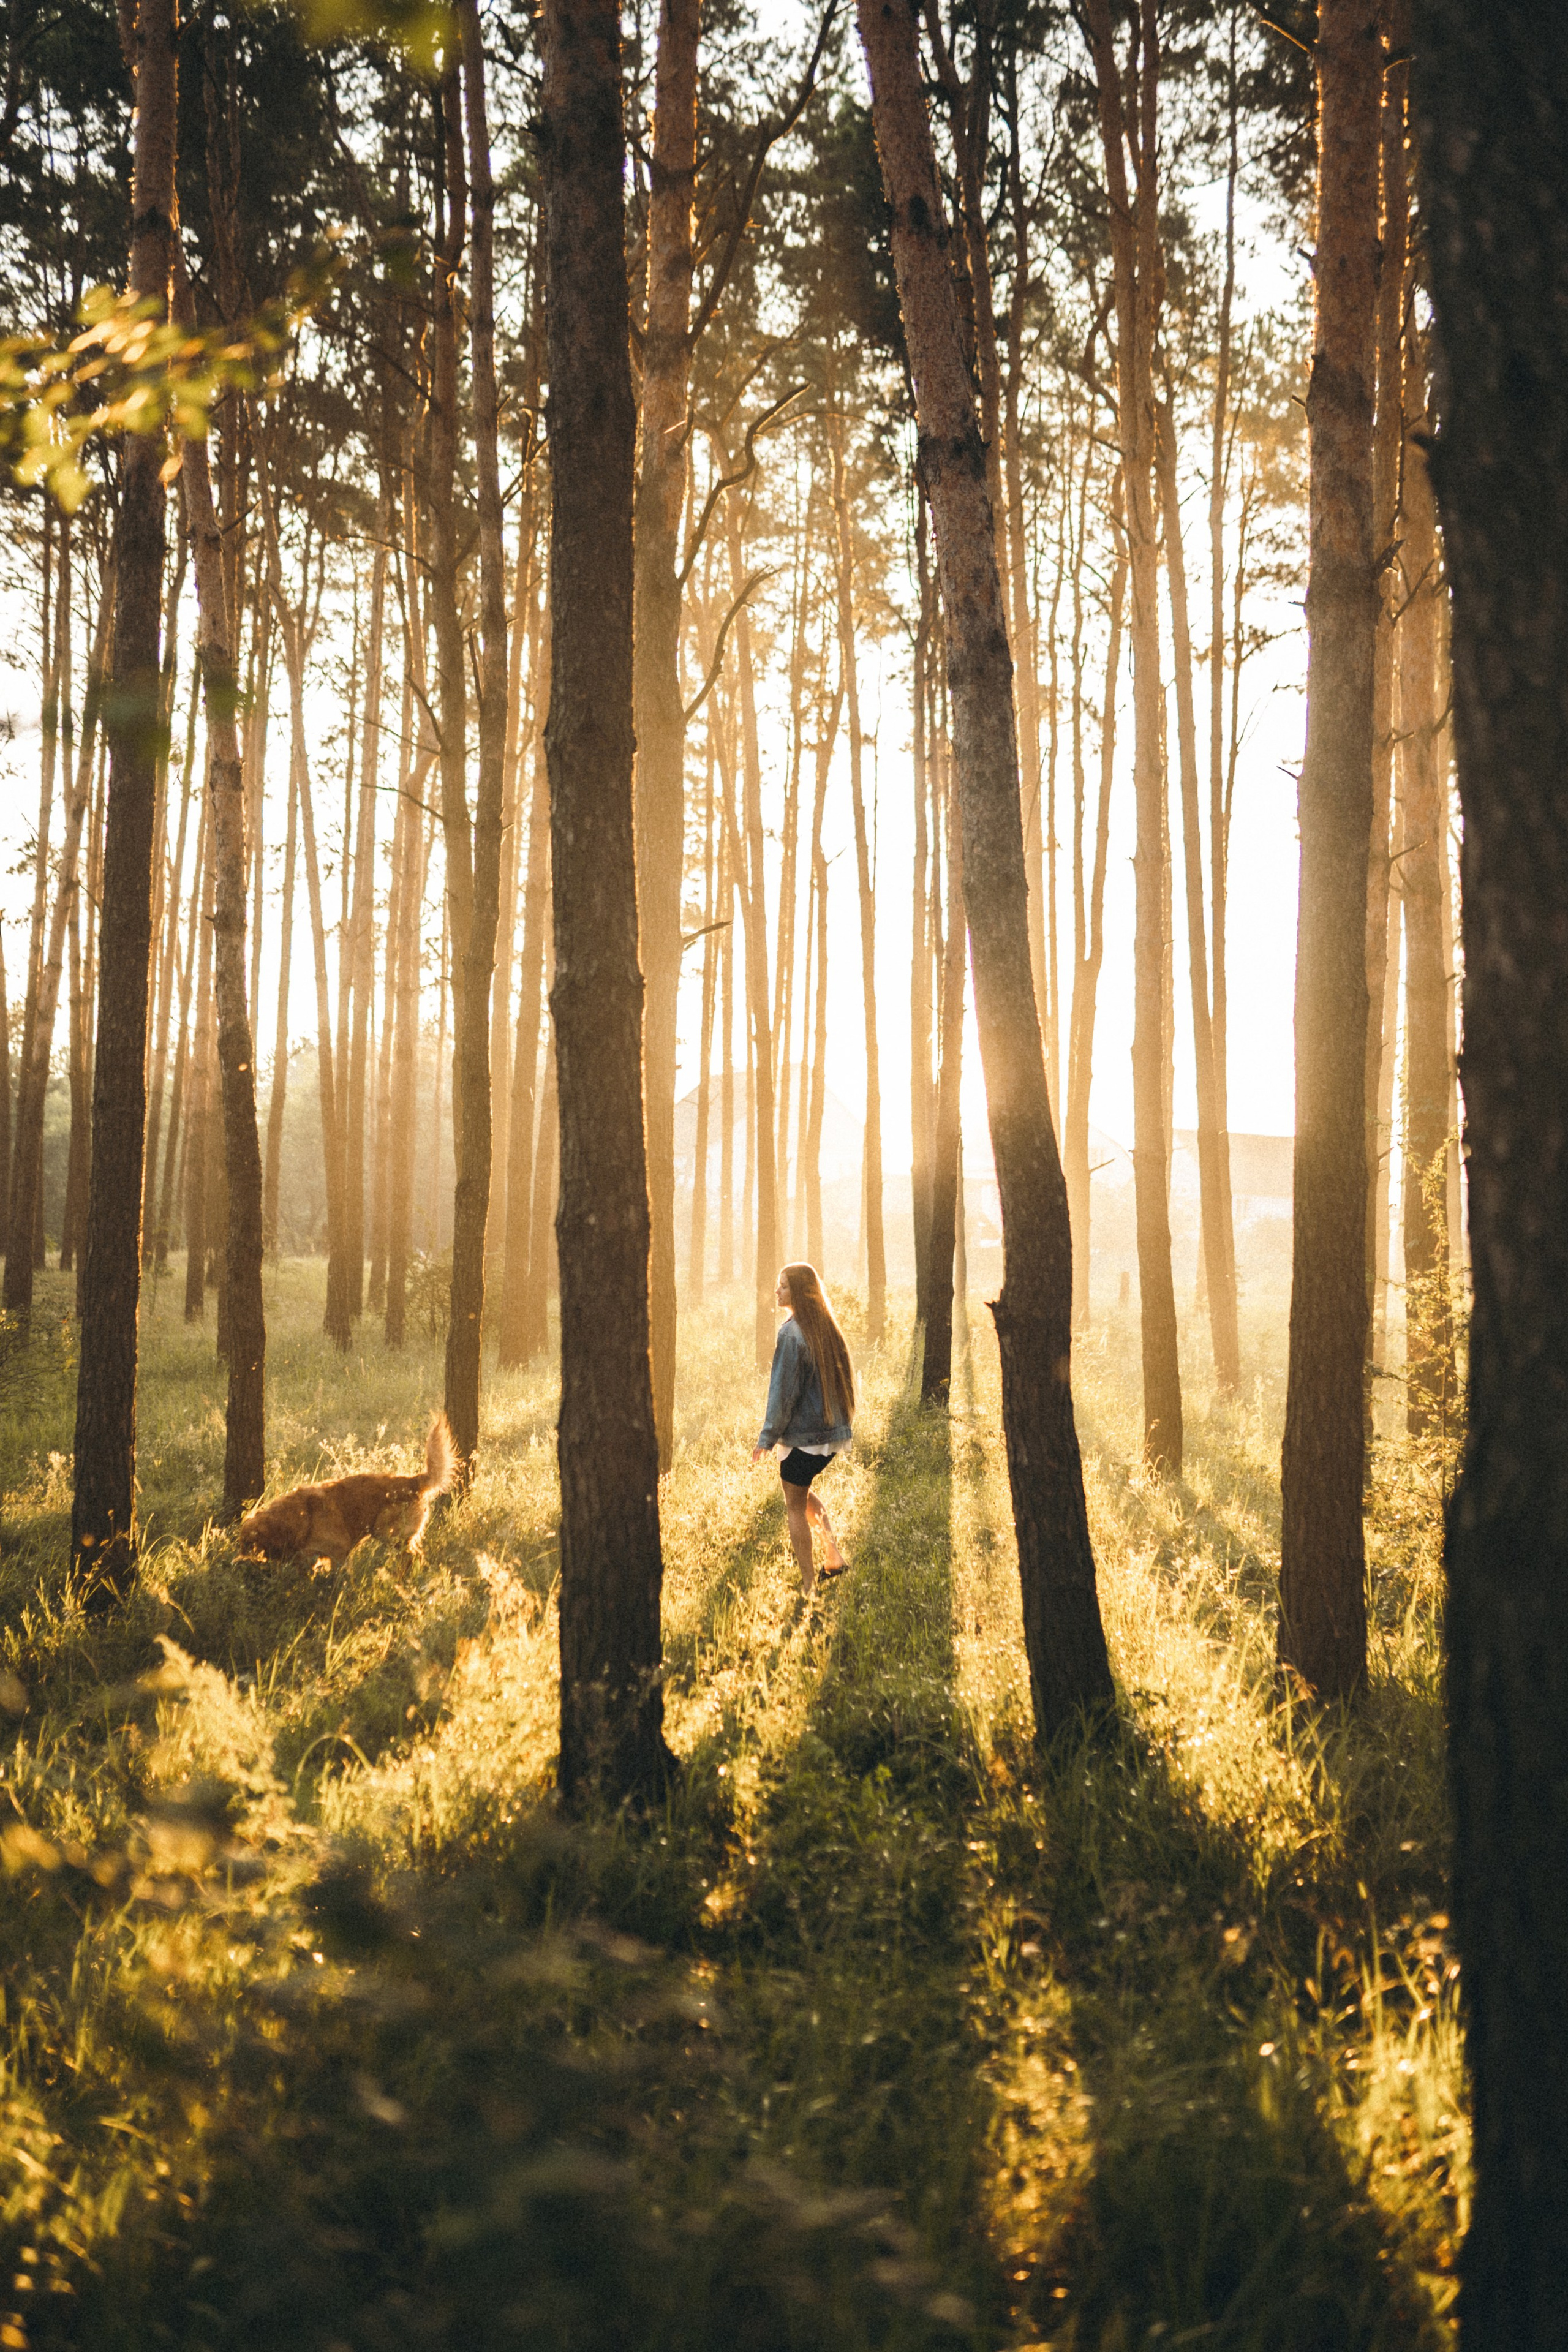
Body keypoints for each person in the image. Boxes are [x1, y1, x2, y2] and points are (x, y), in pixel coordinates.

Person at [751, 1262, 854, 1597]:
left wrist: (766, 1437)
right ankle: (834, 1556)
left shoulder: (792, 1333)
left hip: (807, 1437)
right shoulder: (823, 1325)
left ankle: (809, 1586)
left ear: (798, 1292)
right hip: (832, 1435)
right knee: (802, 1491)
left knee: (794, 1504)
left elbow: (783, 1393)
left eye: (783, 1286)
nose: (777, 1291)